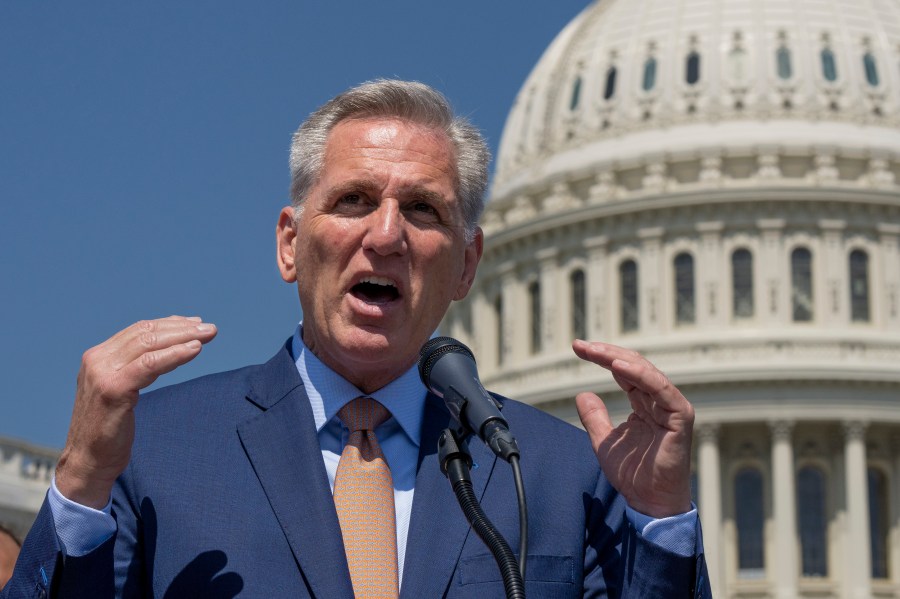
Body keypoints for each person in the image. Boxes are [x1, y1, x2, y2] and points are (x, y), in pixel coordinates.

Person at [3, 80, 710, 598]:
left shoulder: (555, 472)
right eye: (354, 200)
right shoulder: (152, 449)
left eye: (424, 209)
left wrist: (662, 522)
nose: (387, 234)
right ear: (289, 245)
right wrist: (81, 484)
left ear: (466, 264)